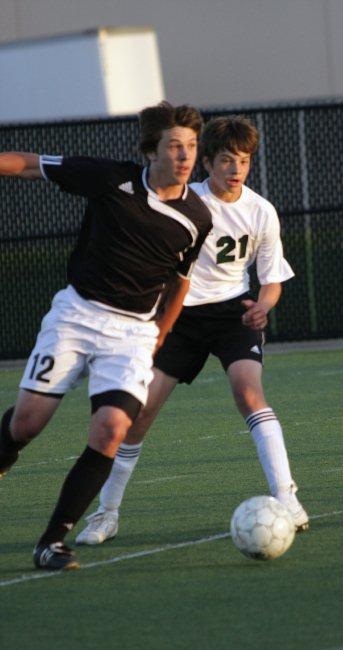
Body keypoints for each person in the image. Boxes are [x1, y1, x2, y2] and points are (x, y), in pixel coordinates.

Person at [75, 115, 309, 546]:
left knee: (249, 394)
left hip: (232, 316)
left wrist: (262, 306)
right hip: (179, 317)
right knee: (139, 416)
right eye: (226, 160)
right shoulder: (186, 203)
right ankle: (106, 514)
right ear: (206, 163)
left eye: (243, 160)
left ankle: (287, 498)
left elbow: (272, 278)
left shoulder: (261, 211)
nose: (235, 169)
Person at [0, 101, 213, 571]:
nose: (185, 157)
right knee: (27, 424)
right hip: (76, 316)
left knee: (112, 429)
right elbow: (32, 164)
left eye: (192, 147)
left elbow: (181, 280)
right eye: (174, 146)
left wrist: (162, 331)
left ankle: (51, 542)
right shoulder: (109, 179)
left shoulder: (197, 217)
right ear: (150, 151)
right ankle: (6, 448)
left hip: (131, 335)